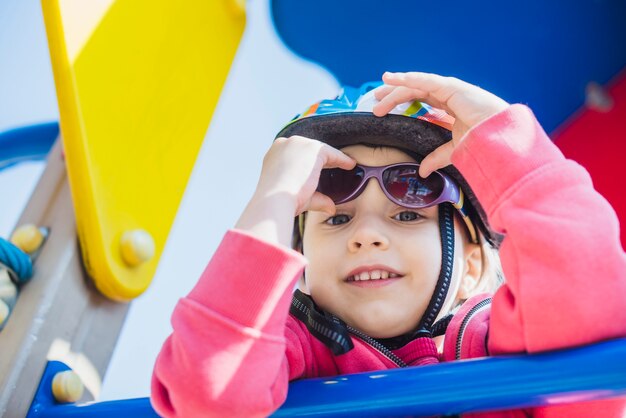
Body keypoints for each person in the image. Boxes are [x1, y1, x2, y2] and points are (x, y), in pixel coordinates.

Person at [151, 72, 626, 417]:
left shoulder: (503, 352)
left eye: (406, 212)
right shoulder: (289, 364)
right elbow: (207, 394)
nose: (366, 235)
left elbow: (589, 304)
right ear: (297, 267)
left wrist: (509, 143)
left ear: (473, 265)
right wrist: (270, 201)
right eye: (337, 217)